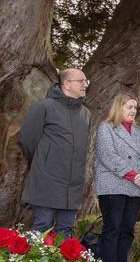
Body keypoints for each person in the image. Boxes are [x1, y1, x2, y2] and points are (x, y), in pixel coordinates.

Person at [17, 68, 91, 236]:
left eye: (86, 81)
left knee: (66, 229)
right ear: (66, 84)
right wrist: (44, 161)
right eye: (81, 81)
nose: (85, 84)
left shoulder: (85, 114)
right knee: (42, 225)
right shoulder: (44, 107)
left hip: (73, 185)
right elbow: (28, 139)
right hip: (47, 180)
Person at [93, 94, 140, 262]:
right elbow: (108, 156)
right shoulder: (106, 128)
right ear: (118, 108)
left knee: (127, 230)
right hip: (113, 186)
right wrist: (133, 174)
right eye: (129, 107)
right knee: (113, 229)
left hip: (135, 188)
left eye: (135, 108)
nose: (133, 111)